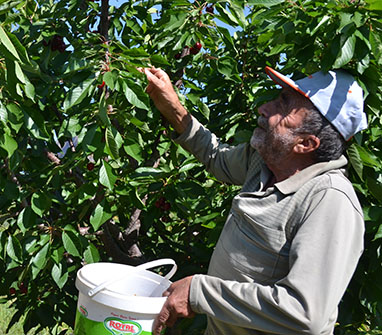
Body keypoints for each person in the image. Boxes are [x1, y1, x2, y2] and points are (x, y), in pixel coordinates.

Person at [140, 66, 367, 335]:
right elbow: (217, 158)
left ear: (306, 143)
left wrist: (199, 292)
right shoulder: (266, 160)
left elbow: (305, 313)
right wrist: (174, 107)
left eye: (282, 106)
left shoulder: (329, 201)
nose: (264, 107)